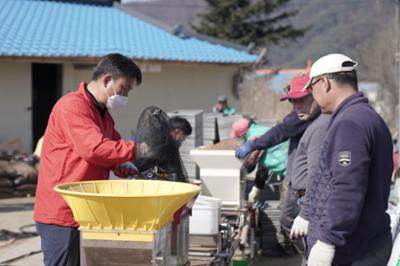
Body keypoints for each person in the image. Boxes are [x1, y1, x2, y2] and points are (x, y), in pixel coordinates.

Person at [34, 53, 143, 266]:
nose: (125, 95)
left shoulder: (104, 115)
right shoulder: (72, 106)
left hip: (85, 209)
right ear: (107, 79)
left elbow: (112, 152)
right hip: (63, 213)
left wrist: (123, 166)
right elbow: (94, 149)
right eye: (124, 88)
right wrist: (140, 149)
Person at [303, 54, 393, 266]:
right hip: (368, 241)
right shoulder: (368, 117)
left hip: (353, 250)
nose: (311, 96)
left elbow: (347, 187)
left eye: (310, 89)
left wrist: (327, 241)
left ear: (324, 83)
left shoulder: (349, 124)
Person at [230, 118, 288, 203]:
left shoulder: (253, 137)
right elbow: (263, 165)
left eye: (238, 137)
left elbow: (249, 166)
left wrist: (239, 167)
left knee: (287, 208)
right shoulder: (260, 129)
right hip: (289, 163)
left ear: (243, 134)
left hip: (289, 170)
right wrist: (258, 187)